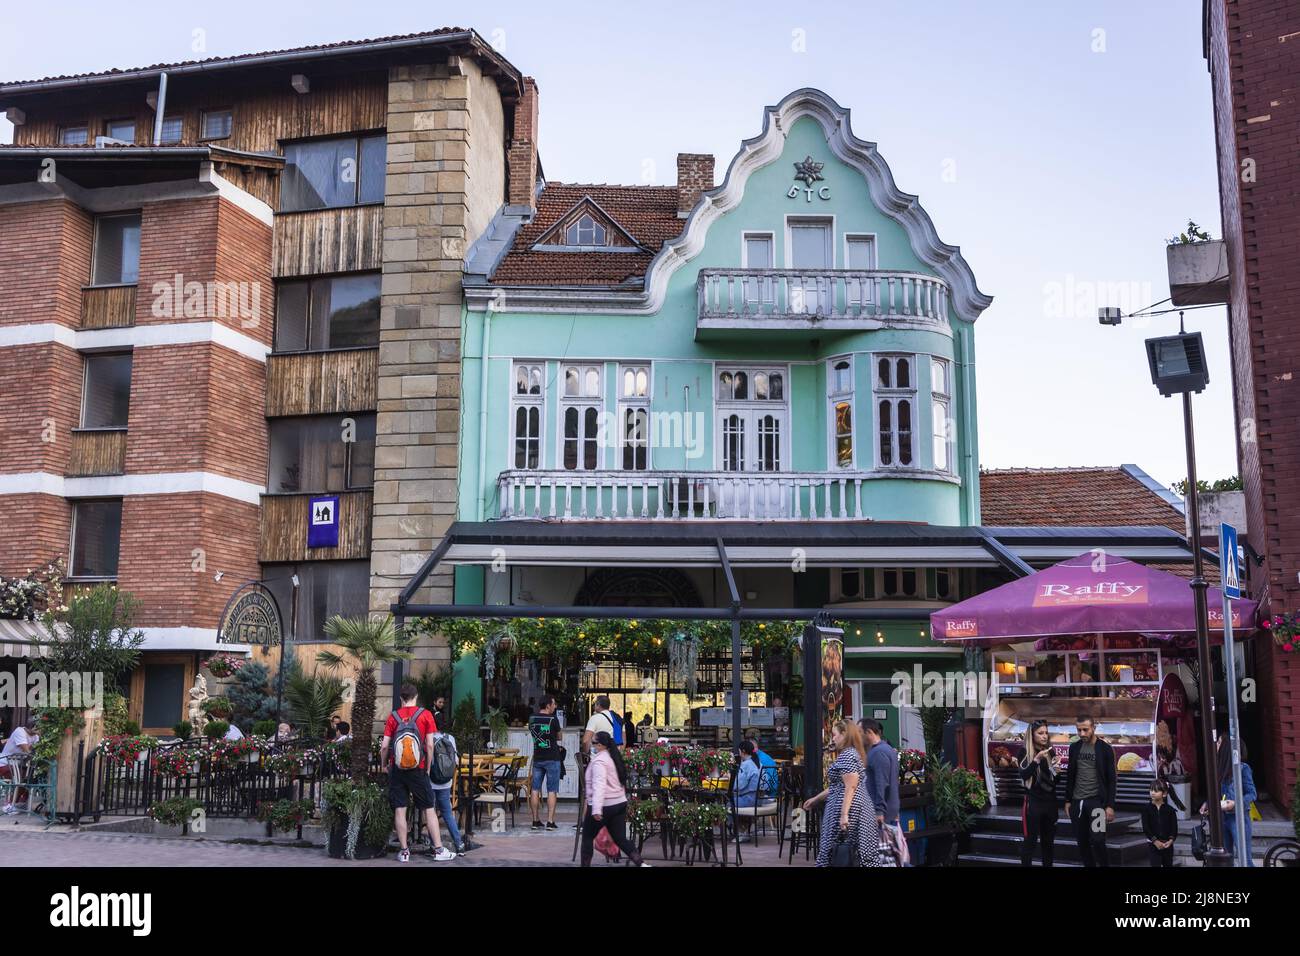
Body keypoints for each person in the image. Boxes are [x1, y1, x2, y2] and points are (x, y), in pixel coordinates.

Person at [380, 683, 455, 863]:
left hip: (397, 769)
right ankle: (438, 850)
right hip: (418, 768)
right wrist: (428, 767)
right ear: (416, 697)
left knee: (400, 809)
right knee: (429, 808)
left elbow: (384, 746)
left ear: (401, 698)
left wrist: (384, 765)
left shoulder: (393, 717)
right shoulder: (426, 715)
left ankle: (404, 852)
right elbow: (429, 745)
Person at [802, 719, 883, 867]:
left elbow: (850, 786)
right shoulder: (853, 754)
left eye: (835, 735)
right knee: (859, 854)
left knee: (836, 851)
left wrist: (844, 815)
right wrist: (816, 799)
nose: (833, 738)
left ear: (844, 734)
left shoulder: (848, 755)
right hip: (856, 809)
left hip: (851, 811)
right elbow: (839, 785)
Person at [579, 731, 649, 867]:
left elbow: (599, 785)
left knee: (587, 837)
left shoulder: (599, 761)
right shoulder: (612, 758)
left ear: (600, 745)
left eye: (593, 743)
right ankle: (641, 864)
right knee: (620, 838)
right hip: (619, 803)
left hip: (604, 805)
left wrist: (597, 809)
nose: (591, 746)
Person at [1064, 714, 1116, 867]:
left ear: (1094, 728)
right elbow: (1070, 775)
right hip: (1077, 802)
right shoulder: (1074, 747)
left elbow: (1112, 779)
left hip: (1096, 803)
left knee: (1098, 840)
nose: (1082, 734)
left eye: (1085, 730)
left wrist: (1110, 805)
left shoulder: (1105, 749)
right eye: (1079, 730)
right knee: (1082, 842)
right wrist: (1068, 800)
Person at [1204, 734, 1257, 867]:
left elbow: (1252, 794)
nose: (1216, 745)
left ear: (1226, 747)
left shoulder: (1242, 768)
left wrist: (1235, 803)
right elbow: (1215, 793)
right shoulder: (1217, 768)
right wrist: (1207, 804)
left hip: (1238, 818)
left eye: (1219, 742)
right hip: (1221, 819)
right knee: (1225, 859)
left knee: (1245, 859)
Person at [1019, 720, 1060, 866]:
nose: (1044, 736)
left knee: (1048, 844)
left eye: (1046, 733)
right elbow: (1024, 775)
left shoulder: (1050, 751)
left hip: (1050, 803)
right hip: (1033, 803)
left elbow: (1055, 782)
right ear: (1032, 735)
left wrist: (1057, 771)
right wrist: (1036, 760)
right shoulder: (1024, 752)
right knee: (1029, 843)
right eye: (1040, 733)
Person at [528, 695, 563, 831]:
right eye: (553, 704)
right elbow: (559, 737)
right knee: (552, 790)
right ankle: (550, 821)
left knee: (535, 789)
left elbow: (532, 732)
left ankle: (535, 821)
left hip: (538, 758)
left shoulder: (532, 718)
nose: (555, 706)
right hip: (552, 758)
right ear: (548, 705)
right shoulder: (553, 719)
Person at [429, 729, 465, 855]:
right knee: (448, 814)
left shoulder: (428, 737)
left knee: (430, 813)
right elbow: (455, 761)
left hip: (431, 781)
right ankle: (459, 844)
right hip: (446, 782)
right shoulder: (450, 738)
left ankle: (433, 845)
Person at [860, 719, 900, 828]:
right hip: (888, 810)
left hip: (881, 813)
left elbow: (881, 783)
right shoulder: (887, 749)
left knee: (881, 844)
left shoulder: (878, 753)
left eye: (860, 733)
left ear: (869, 732)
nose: (858, 737)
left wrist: (879, 811)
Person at [0, 716, 38, 815]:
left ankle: (21, 802)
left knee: (31, 777)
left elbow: (37, 750)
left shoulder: (35, 736)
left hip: (17, 764)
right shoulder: (19, 732)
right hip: (4, 763)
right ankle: (10, 805)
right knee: (22, 779)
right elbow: (27, 751)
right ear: (33, 727)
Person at [1142, 779, 1178, 867]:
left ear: (1164, 794)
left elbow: (1174, 828)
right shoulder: (1146, 809)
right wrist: (1155, 841)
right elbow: (1146, 828)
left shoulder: (1170, 810)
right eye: (1151, 790)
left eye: (1156, 791)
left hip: (1167, 845)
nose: (1152, 793)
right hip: (1153, 844)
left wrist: (1170, 840)